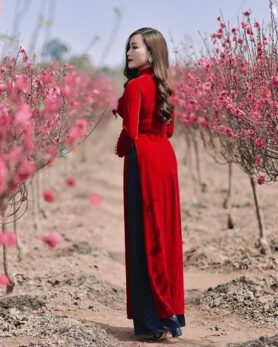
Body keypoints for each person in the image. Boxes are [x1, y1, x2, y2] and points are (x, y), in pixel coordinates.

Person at [113, 27, 185, 341]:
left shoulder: (135, 87)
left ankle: (152, 322)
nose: (129, 53)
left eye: (135, 47)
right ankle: (169, 315)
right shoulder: (166, 88)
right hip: (165, 162)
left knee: (142, 236)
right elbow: (168, 131)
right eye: (128, 48)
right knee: (164, 236)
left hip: (142, 160)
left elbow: (130, 131)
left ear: (151, 53)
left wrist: (119, 149)